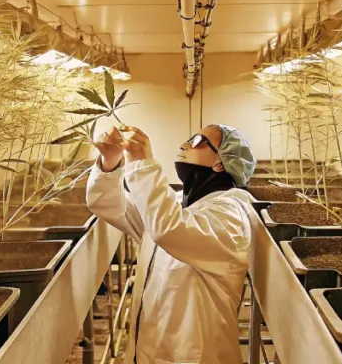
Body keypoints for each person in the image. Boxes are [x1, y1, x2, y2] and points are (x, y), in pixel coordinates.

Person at [87, 124, 257, 364]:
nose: (185, 144)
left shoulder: (231, 215)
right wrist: (111, 162)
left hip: (198, 356)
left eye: (197, 140)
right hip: (148, 350)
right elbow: (111, 205)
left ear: (221, 163)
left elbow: (169, 228)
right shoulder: (176, 204)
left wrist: (142, 163)